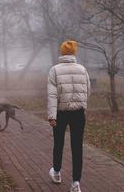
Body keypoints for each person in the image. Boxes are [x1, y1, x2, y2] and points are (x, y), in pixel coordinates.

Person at [47, 40, 90, 192]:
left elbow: (52, 95)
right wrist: (83, 107)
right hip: (78, 113)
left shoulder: (54, 70)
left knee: (58, 143)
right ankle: (76, 183)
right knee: (77, 147)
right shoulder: (82, 69)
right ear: (74, 52)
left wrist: (52, 116)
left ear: (62, 52)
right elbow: (87, 90)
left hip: (61, 112)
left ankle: (57, 173)